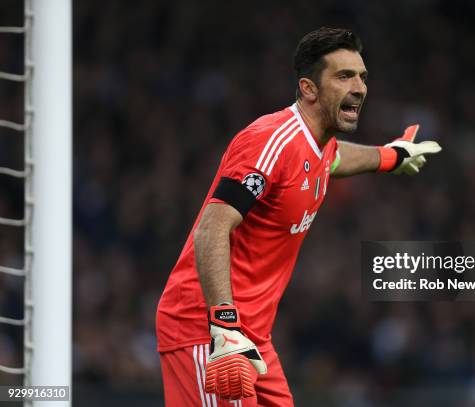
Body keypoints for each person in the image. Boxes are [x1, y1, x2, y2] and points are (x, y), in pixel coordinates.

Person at [156, 27, 441, 407]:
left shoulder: (318, 145)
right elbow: (211, 229)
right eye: (344, 76)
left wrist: (391, 156)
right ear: (308, 88)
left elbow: (336, 158)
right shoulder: (270, 141)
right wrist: (223, 326)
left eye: (362, 76)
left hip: (254, 335)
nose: (359, 87)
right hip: (205, 327)